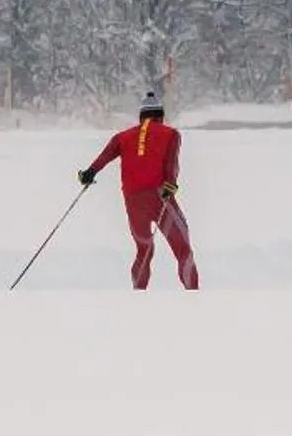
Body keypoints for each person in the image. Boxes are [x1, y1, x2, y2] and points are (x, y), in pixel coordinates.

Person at [77, 91, 200, 290]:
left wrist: (89, 173)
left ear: (141, 116)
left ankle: (138, 295)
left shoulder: (122, 137)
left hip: (133, 200)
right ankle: (194, 294)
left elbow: (104, 157)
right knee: (182, 248)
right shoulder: (171, 134)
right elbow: (171, 165)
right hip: (160, 196)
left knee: (144, 249)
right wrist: (170, 184)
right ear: (160, 116)